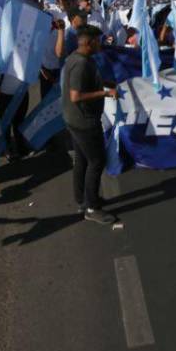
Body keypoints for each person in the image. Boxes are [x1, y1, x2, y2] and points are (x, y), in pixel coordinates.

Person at [60, 24, 118, 225]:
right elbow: (76, 96)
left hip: (75, 119)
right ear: (90, 42)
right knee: (96, 161)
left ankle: (83, 199)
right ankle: (92, 208)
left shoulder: (80, 59)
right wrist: (105, 93)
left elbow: (86, 85)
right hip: (83, 121)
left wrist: (106, 85)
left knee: (83, 161)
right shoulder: (81, 64)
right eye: (98, 41)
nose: (101, 44)